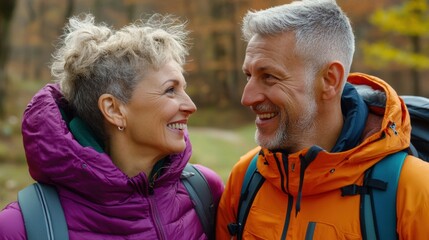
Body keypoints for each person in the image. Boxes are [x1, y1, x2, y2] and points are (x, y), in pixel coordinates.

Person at [216, 0, 429, 239]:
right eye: (248, 75)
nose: (247, 98)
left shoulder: (413, 190)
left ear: (330, 80)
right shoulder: (247, 177)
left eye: (269, 76)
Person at [0, 13, 224, 239]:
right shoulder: (22, 227)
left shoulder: (205, 193)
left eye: (183, 88)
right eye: (170, 90)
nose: (191, 105)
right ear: (114, 110)